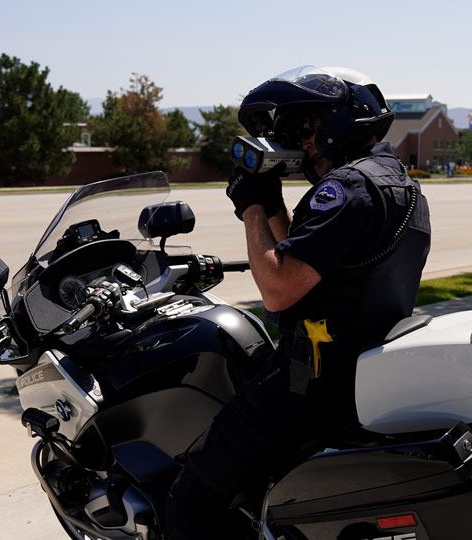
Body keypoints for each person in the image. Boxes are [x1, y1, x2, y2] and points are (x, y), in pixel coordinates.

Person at [166, 66, 431, 539]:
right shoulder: (397, 185)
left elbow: (278, 288)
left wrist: (249, 209)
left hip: (308, 386)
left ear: (340, 120)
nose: (299, 140)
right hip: (356, 374)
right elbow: (308, 262)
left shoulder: (344, 189)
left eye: (304, 125)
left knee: (191, 497)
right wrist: (270, 203)